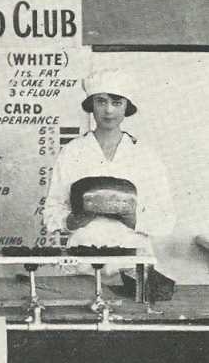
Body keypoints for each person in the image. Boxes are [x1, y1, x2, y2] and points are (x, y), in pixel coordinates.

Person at [43, 68, 176, 274]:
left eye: (117, 103)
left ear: (126, 108)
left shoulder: (146, 155)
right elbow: (51, 210)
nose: (109, 111)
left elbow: (166, 218)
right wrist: (71, 220)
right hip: (82, 262)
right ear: (91, 106)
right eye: (101, 101)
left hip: (132, 263)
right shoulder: (71, 152)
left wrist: (134, 219)